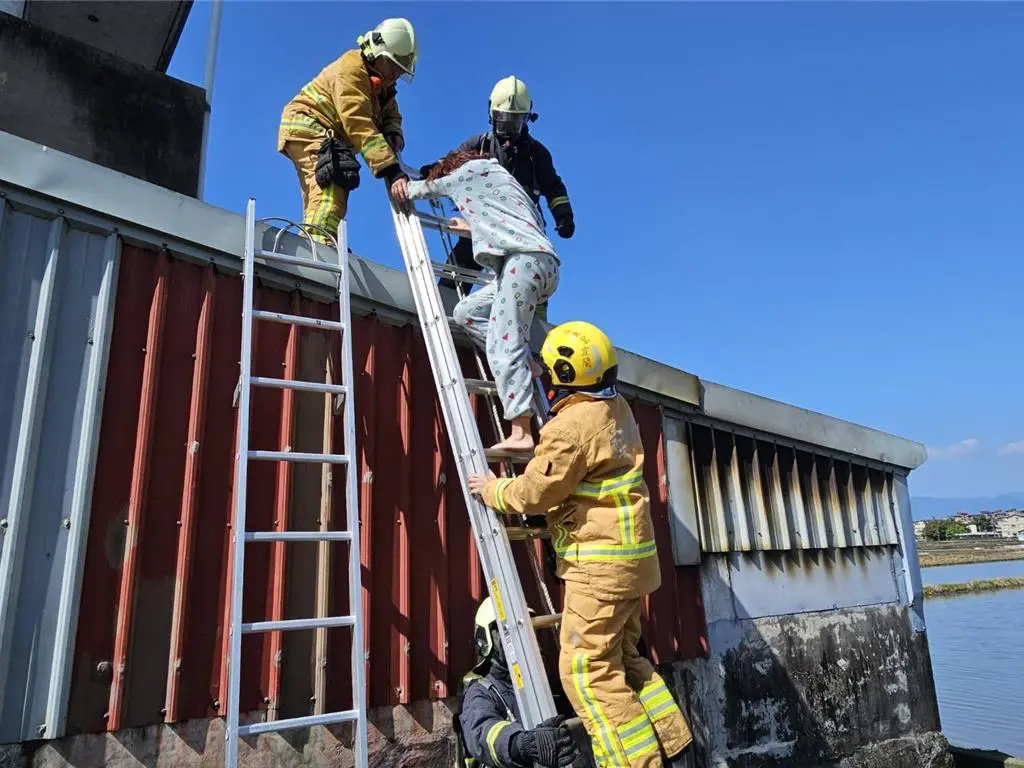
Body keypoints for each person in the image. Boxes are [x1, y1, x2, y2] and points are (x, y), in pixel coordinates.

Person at [466, 322, 694, 768]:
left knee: (585, 673)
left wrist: (494, 490)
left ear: (566, 376)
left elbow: (537, 491)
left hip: (599, 568)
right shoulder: (618, 408)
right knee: (625, 660)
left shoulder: (570, 427)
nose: (539, 372)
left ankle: (634, 763)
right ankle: (677, 746)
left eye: (546, 368)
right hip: (633, 566)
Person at [403, 149, 559, 453]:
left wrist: (398, 182)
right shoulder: (502, 178)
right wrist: (471, 227)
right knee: (466, 311)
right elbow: (515, 222)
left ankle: (521, 431)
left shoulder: (465, 172)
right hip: (541, 264)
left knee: (505, 344)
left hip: (522, 263)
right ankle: (529, 365)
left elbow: (423, 189)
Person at [424, 76, 574, 318]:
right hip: (481, 229)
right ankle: (442, 312)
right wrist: (432, 170)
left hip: (521, 239)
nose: (508, 132)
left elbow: (554, 188)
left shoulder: (537, 155)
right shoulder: (479, 145)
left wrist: (563, 215)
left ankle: (533, 334)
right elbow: (452, 162)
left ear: (527, 119)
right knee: (456, 275)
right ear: (492, 115)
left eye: (514, 124)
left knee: (528, 297)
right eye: (503, 123)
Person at [277, 18, 417, 244]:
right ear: (377, 52)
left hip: (326, 132)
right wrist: (392, 171)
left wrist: (393, 132)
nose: (395, 75)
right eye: (392, 65)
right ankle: (319, 249)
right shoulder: (351, 70)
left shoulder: (382, 87)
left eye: (400, 70)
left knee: (323, 190)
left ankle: (320, 239)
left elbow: (391, 113)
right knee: (332, 181)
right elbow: (357, 121)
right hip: (310, 125)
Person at [455, 597, 581, 768]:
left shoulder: (542, 686)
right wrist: (520, 745)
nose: (525, 643)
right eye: (510, 636)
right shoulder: (481, 692)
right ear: (487, 641)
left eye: (528, 634)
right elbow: (482, 733)